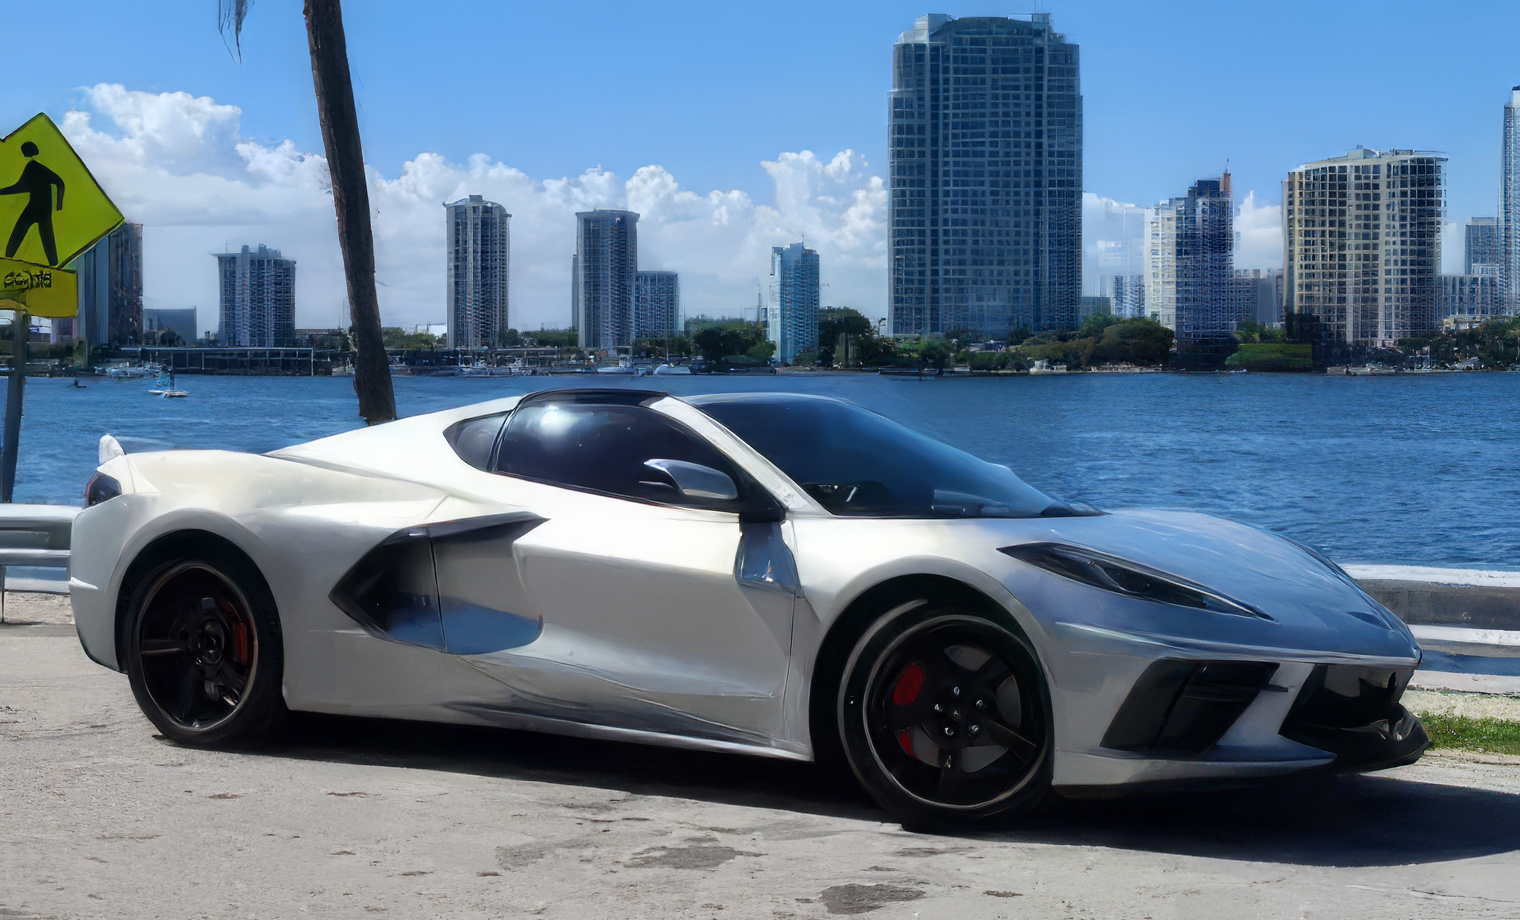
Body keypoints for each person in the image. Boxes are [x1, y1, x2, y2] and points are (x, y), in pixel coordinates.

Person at [1, 141, 66, 266]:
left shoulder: (33, 167)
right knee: (43, 237)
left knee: (21, 232)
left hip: (36, 209)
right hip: (41, 209)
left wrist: (59, 205)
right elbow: (59, 182)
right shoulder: (36, 167)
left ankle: (8, 257)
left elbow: (19, 187)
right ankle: (53, 263)